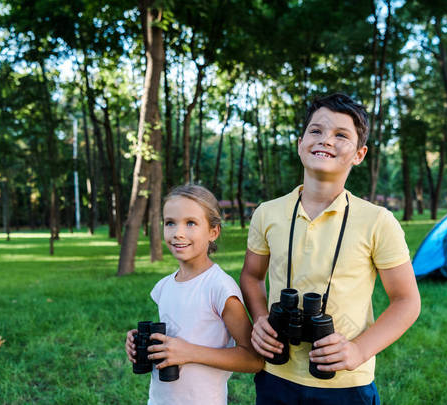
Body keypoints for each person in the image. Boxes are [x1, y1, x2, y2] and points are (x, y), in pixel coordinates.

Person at [240, 93, 421, 404]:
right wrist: (260, 320)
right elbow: (252, 276)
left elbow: (406, 301)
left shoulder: (377, 221)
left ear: (359, 154)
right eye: (316, 131)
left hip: (345, 383)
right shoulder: (267, 213)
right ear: (300, 143)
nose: (325, 140)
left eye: (341, 135)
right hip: (276, 374)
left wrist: (359, 350)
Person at [125, 184, 264, 405]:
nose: (178, 232)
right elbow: (173, 340)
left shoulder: (220, 288)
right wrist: (142, 346)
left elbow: (253, 359)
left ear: (213, 232)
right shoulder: (163, 286)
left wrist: (189, 352)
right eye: (170, 223)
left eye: (191, 223)